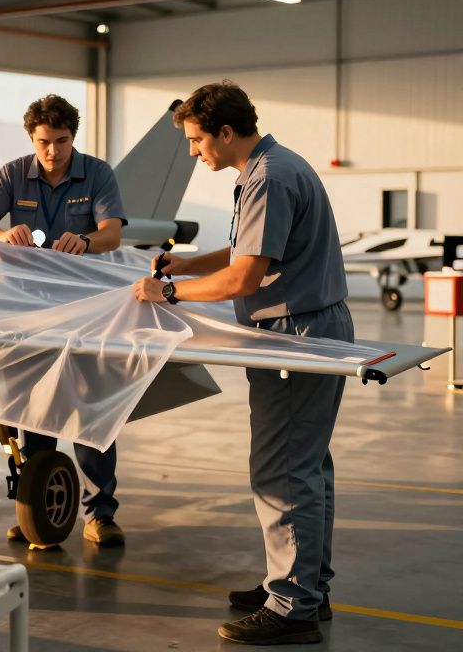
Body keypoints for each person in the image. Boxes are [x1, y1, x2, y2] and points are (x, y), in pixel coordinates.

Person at [133, 81, 350, 645]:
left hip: (294, 336)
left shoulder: (269, 180)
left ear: (226, 132)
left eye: (197, 140)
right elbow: (246, 252)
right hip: (304, 328)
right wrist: (181, 266)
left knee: (282, 470)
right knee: (307, 465)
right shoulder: (269, 168)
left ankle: (292, 607)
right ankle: (305, 585)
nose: (193, 151)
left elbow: (244, 278)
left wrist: (170, 295)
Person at [0, 94, 128, 548]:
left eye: (60, 141)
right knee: (32, 408)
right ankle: (36, 507)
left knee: (86, 409)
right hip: (28, 309)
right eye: (43, 142)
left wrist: (86, 240)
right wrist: (2, 233)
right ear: (31, 138)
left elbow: (113, 233)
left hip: (85, 310)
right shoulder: (14, 173)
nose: (52, 152)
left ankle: (102, 513)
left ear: (72, 137)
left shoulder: (97, 174)